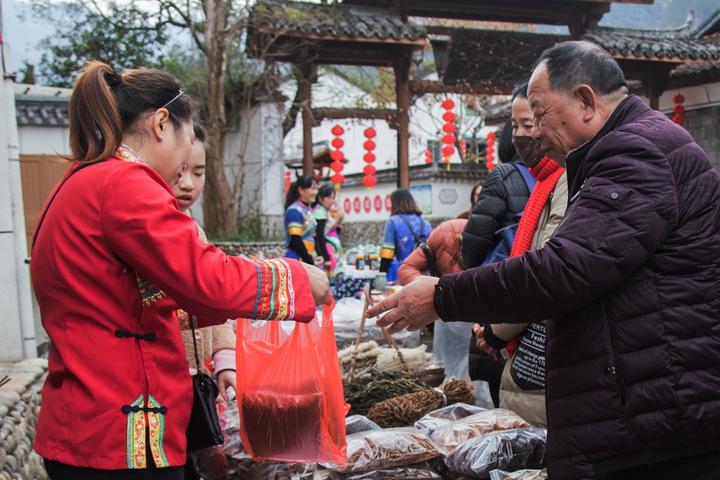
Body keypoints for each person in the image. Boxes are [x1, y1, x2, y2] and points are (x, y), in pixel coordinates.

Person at [368, 40, 720, 480]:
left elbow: (563, 271)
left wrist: (441, 296)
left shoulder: (636, 153)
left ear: (586, 101)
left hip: (649, 410)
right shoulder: (637, 146)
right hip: (647, 399)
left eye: (539, 114)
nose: (531, 131)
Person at [31, 61, 328, 480]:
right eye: (186, 146)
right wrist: (294, 279)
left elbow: (153, 294)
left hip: (84, 423)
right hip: (116, 434)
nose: (181, 172)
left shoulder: (82, 180)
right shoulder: (125, 183)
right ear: (161, 123)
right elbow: (205, 277)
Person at [473, 81, 568, 427]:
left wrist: (496, 329)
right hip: (519, 328)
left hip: (537, 342)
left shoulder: (564, 182)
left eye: (529, 123)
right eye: (515, 125)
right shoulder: (543, 181)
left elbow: (544, 270)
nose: (521, 135)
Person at [172, 123, 236, 480]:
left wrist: (225, 359)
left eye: (198, 172)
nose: (188, 184)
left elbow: (214, 299)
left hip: (197, 387)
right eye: (178, 172)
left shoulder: (194, 229)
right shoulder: (148, 230)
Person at [398, 219, 472, 380]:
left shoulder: (500, 237)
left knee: (476, 373)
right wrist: (434, 291)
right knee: (446, 368)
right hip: (447, 314)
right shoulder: (445, 233)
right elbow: (407, 268)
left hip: (479, 319)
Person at [461, 119, 533, 269]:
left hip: (506, 273)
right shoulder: (557, 172)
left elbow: (476, 240)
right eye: (515, 127)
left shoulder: (503, 175)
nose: (518, 133)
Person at [379, 189, 431, 282]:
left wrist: (381, 273)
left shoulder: (393, 221)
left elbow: (388, 252)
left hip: (401, 274)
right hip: (422, 275)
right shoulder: (425, 223)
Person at [284, 175, 321, 265]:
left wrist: (320, 255)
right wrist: (309, 261)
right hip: (297, 258)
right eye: (312, 189)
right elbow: (296, 240)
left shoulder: (308, 210)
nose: (316, 192)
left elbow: (313, 236)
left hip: (309, 256)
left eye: (316, 189)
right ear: (301, 190)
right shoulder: (294, 211)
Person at [314, 183, 344, 275]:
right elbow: (320, 234)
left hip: (332, 247)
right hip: (327, 249)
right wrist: (326, 257)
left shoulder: (326, 211)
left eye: (333, 198)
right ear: (321, 198)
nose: (332, 201)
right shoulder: (319, 212)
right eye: (329, 198)